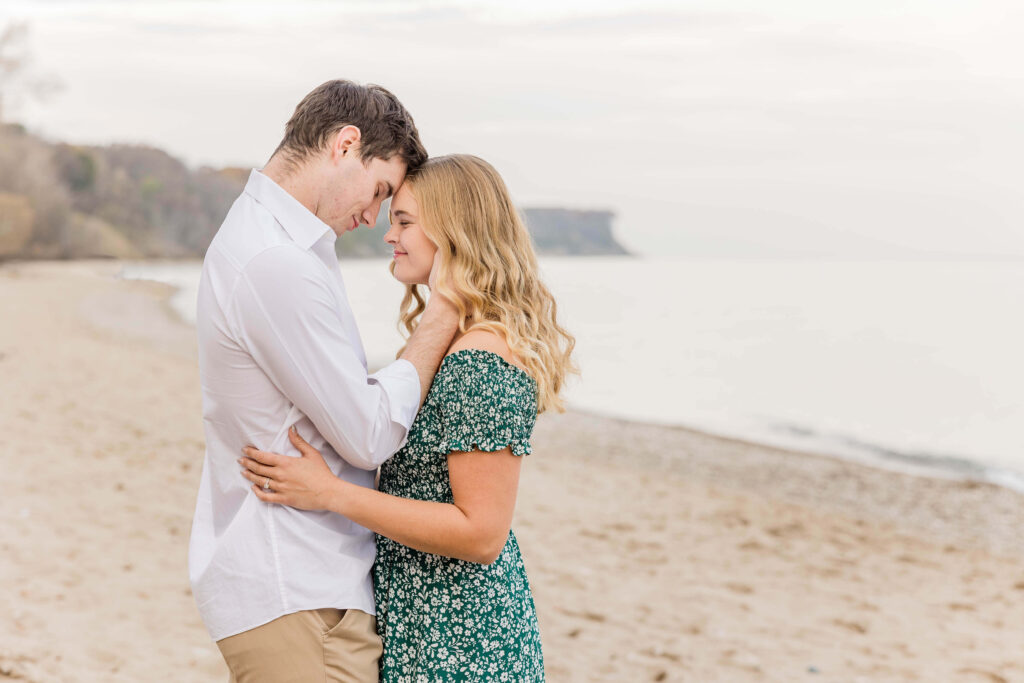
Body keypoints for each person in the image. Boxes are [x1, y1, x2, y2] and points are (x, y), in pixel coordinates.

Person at [239, 154, 576, 681]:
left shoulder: (478, 359)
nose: (388, 235)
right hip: (426, 629)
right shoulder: (453, 342)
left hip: (463, 644)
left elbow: (482, 533)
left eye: (405, 221)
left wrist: (331, 494)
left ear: (454, 232)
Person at [188, 80, 461, 682]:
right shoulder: (275, 261)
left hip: (291, 583)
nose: (373, 217)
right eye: (380, 190)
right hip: (300, 585)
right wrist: (443, 314)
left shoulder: (278, 242)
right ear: (344, 145)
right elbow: (367, 433)